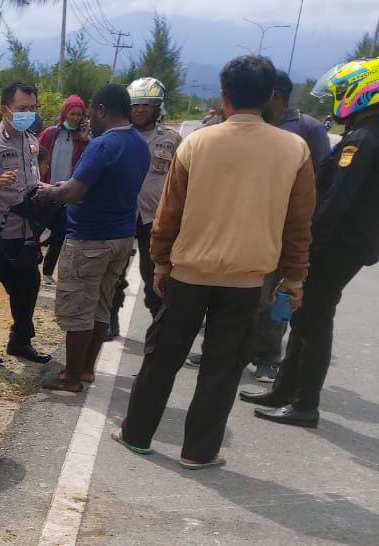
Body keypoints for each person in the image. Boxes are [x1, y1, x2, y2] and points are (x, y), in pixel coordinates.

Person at [112, 55, 315, 469]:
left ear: (224, 96)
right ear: (270, 97)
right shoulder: (295, 150)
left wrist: (162, 265)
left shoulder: (198, 143)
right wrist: (293, 278)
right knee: (223, 367)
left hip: (188, 274)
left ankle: (135, 434)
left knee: (162, 356)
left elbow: (168, 214)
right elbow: (299, 225)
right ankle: (198, 451)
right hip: (246, 281)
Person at [242, 58, 379, 427]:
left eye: (340, 93)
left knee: (314, 322)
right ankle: (285, 391)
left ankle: (305, 405)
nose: (337, 99)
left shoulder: (365, 138)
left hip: (336, 247)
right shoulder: (365, 130)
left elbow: (335, 202)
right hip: (346, 244)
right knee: (304, 320)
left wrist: (305, 251)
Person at [35, 85, 149, 392]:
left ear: (101, 110)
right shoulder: (139, 143)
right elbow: (96, 184)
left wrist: (49, 193)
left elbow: (73, 193)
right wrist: (65, 186)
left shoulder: (101, 146)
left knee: (78, 309)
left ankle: (70, 377)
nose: (88, 121)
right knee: (101, 305)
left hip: (90, 239)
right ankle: (86, 369)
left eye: (90, 114)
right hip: (122, 237)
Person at [246, 70, 334, 382]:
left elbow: (322, 181)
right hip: (249, 222)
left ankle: (268, 356)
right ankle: (233, 349)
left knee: (273, 297)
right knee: (239, 293)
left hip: (283, 229)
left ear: (275, 95)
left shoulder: (307, 128)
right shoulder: (257, 125)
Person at [0, 82, 51, 367]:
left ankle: (20, 341)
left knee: (28, 289)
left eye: (32, 109)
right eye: (22, 109)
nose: (28, 114)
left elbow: (31, 180)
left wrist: (47, 191)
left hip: (23, 233)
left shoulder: (31, 141)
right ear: (5, 109)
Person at [105, 77, 182, 338]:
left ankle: (160, 327)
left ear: (157, 108)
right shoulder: (117, 137)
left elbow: (182, 180)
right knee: (114, 273)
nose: (139, 110)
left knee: (156, 275)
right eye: (135, 105)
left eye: (146, 105)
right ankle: (110, 319)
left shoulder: (172, 140)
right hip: (122, 214)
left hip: (155, 219)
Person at [37, 95, 90, 285]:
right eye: (72, 113)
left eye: (79, 114)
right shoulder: (51, 134)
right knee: (35, 229)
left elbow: (89, 164)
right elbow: (37, 155)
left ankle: (48, 272)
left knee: (59, 235)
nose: (75, 118)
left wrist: (84, 140)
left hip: (66, 193)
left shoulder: (84, 140)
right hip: (45, 190)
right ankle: (28, 262)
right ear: (65, 113)